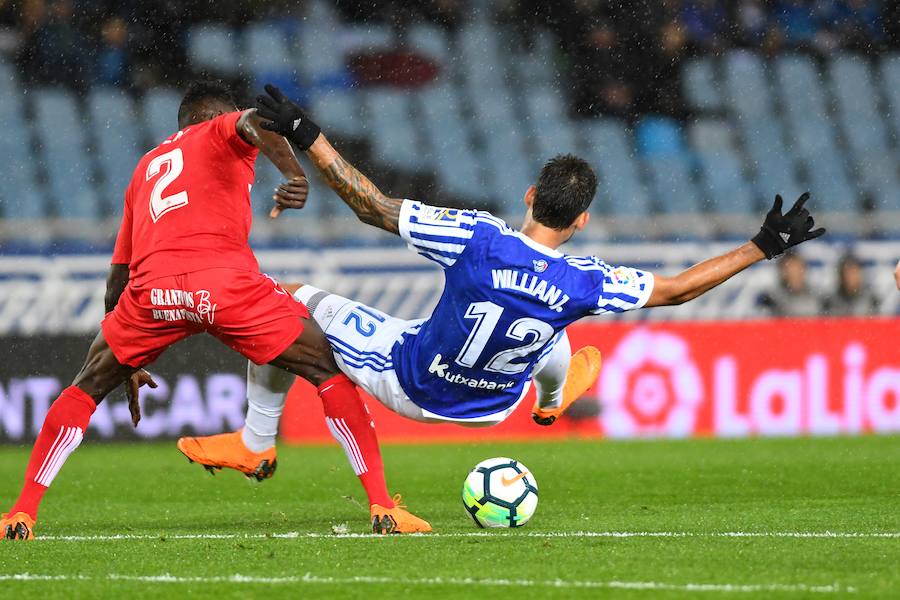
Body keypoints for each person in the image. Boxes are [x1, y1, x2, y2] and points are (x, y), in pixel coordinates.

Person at [176, 85, 825, 475]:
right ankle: (550, 399)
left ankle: (255, 442)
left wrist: (309, 134)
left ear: (532, 193)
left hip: (415, 382)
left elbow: (369, 204)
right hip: (495, 406)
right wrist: (763, 245)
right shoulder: (584, 277)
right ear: (580, 219)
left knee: (285, 302)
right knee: (556, 314)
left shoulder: (477, 237)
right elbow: (680, 288)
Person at [1, 81, 429, 541]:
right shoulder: (218, 128)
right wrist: (293, 174)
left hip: (153, 294)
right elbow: (258, 120)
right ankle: (383, 506)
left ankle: (21, 513)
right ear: (209, 116)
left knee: (83, 390)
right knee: (327, 370)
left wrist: (125, 351)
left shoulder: (145, 168)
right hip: (222, 283)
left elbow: (117, 278)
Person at [758, 251, 822, 317]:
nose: (794, 272)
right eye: (790, 268)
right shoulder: (772, 298)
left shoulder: (818, 296)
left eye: (798, 267)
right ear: (782, 272)